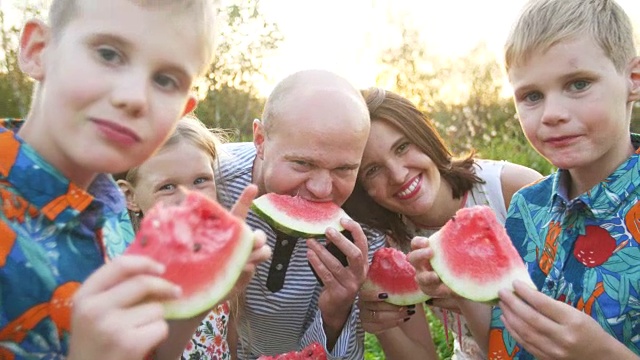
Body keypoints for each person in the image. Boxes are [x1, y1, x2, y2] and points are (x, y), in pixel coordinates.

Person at [0, 1, 269, 359]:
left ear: (181, 112)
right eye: (108, 54)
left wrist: (192, 307)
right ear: (38, 50)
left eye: (165, 80)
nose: (134, 98)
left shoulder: (108, 207)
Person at [409, 0, 640, 358]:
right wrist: (464, 293)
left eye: (578, 84)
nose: (553, 114)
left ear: (633, 81)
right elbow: (503, 346)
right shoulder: (525, 209)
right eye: (532, 96)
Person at [342, 87, 542, 359]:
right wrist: (380, 320)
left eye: (402, 147)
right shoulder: (388, 243)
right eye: (373, 170)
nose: (399, 175)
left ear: (424, 136)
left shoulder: (512, 189)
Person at [216, 69, 386, 359]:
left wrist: (336, 313)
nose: (322, 189)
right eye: (303, 163)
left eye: (344, 169)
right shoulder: (208, 182)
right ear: (261, 140)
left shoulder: (361, 233)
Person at [115, 115, 264, 360]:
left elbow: (229, 335)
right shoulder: (126, 280)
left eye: (200, 180)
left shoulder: (218, 259)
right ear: (130, 197)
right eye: (167, 186)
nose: (189, 198)